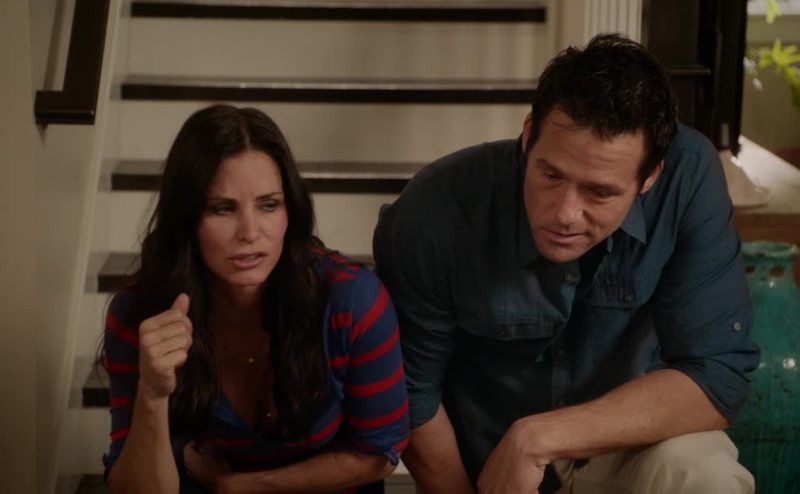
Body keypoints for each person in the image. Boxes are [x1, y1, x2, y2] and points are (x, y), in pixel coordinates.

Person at [373, 34, 760, 494]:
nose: (565, 214)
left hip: (626, 449)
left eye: (599, 192)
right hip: (488, 471)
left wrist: (538, 437)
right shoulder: (435, 210)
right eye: (551, 175)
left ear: (650, 176)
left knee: (705, 475)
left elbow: (716, 375)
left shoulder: (687, 176)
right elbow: (413, 396)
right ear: (528, 135)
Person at [102, 104, 409, 493]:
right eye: (223, 208)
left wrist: (242, 486)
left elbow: (379, 453)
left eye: (268, 205)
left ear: (290, 211)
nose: (250, 232)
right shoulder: (140, 313)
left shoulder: (352, 300)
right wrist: (152, 395)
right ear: (187, 220)